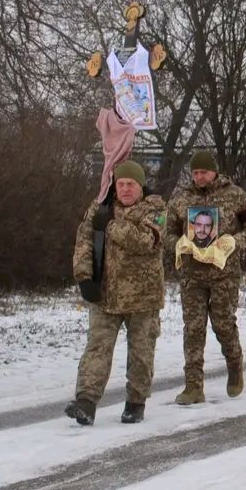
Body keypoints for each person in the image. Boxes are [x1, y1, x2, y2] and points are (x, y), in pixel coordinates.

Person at [67, 160, 166, 426]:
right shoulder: (100, 206)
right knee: (97, 348)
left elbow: (145, 241)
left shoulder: (156, 209)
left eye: (130, 184)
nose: (125, 189)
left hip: (143, 298)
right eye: (120, 184)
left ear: (140, 186)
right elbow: (84, 241)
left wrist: (111, 225)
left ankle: (135, 403)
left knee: (141, 354)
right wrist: (84, 277)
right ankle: (86, 401)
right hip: (105, 295)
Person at [165, 151, 246, 405]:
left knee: (223, 324)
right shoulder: (181, 198)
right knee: (193, 329)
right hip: (192, 274)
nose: (199, 177)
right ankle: (193, 386)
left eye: (204, 172)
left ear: (215, 172)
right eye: (195, 172)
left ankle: (234, 364)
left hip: (224, 274)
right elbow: (167, 232)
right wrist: (178, 244)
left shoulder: (235, 194)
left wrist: (235, 242)